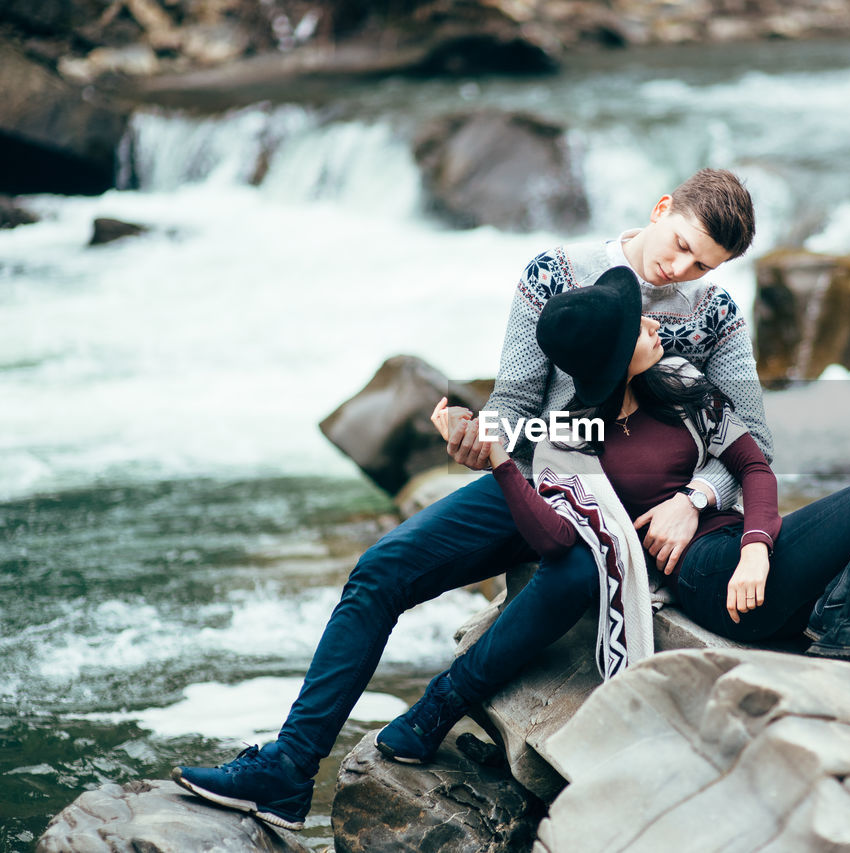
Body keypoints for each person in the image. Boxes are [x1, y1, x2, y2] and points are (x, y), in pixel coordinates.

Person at [172, 168, 774, 830]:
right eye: (682, 244)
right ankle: (287, 771)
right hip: (531, 478)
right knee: (381, 569)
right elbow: (515, 402)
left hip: (620, 512)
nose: (679, 269)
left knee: (578, 568)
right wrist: (480, 437)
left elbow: (752, 444)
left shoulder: (713, 313)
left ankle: (434, 711)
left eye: (700, 264)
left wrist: (695, 497)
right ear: (662, 208)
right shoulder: (555, 273)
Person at [382, 268, 850, 777]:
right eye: (638, 327)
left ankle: (848, 619)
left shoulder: (681, 387)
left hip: (745, 553)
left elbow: (753, 465)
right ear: (611, 360)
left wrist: (755, 544)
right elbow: (556, 541)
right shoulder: (571, 440)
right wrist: (505, 464)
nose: (655, 327)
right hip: (707, 575)